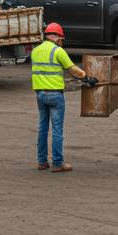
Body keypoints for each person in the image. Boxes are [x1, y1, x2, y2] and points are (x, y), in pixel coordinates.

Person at [31, 22, 90, 172]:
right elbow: (73, 70)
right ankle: (58, 163)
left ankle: (41, 161)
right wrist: (86, 77)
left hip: (40, 94)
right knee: (57, 130)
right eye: (60, 38)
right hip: (55, 95)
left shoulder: (35, 51)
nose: (61, 41)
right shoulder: (58, 51)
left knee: (42, 128)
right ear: (56, 37)